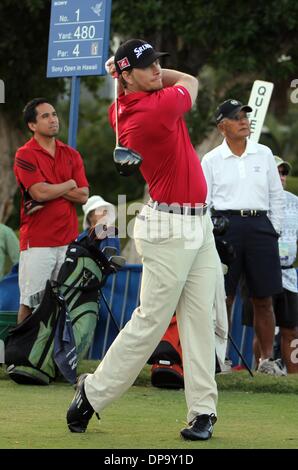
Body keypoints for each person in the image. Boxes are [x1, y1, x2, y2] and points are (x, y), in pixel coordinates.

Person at [66, 39, 219, 441]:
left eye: (157, 63)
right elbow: (189, 79)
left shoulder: (121, 107)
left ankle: (203, 410)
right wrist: (134, 75)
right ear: (128, 76)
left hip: (197, 225)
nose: (156, 70)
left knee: (199, 321)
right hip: (170, 229)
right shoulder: (157, 107)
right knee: (150, 323)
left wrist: (128, 73)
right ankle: (91, 394)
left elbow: (132, 93)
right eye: (147, 66)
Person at [201, 99, 285, 375]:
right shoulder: (211, 159)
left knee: (263, 299)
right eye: (237, 117)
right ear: (222, 126)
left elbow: (276, 196)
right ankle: (219, 357)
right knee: (223, 297)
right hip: (226, 229)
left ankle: (266, 361)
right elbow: (205, 202)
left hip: (261, 228)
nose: (244, 121)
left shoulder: (264, 154)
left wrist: (274, 229)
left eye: (245, 116)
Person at [13, 98, 89, 324]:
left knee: (61, 302)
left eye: (54, 114)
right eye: (45, 116)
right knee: (30, 302)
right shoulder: (25, 154)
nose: (53, 119)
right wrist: (68, 184)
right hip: (38, 241)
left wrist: (51, 186)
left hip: (68, 240)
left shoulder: (71, 154)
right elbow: (38, 193)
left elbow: (84, 195)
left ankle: (54, 356)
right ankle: (20, 355)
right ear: (32, 126)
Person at [242, 156, 298, 373]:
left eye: (284, 173)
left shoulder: (294, 201)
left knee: (291, 330)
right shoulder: (250, 202)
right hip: (258, 271)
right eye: (277, 172)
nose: (282, 177)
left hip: (288, 275)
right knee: (262, 330)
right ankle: (263, 372)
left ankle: (294, 380)